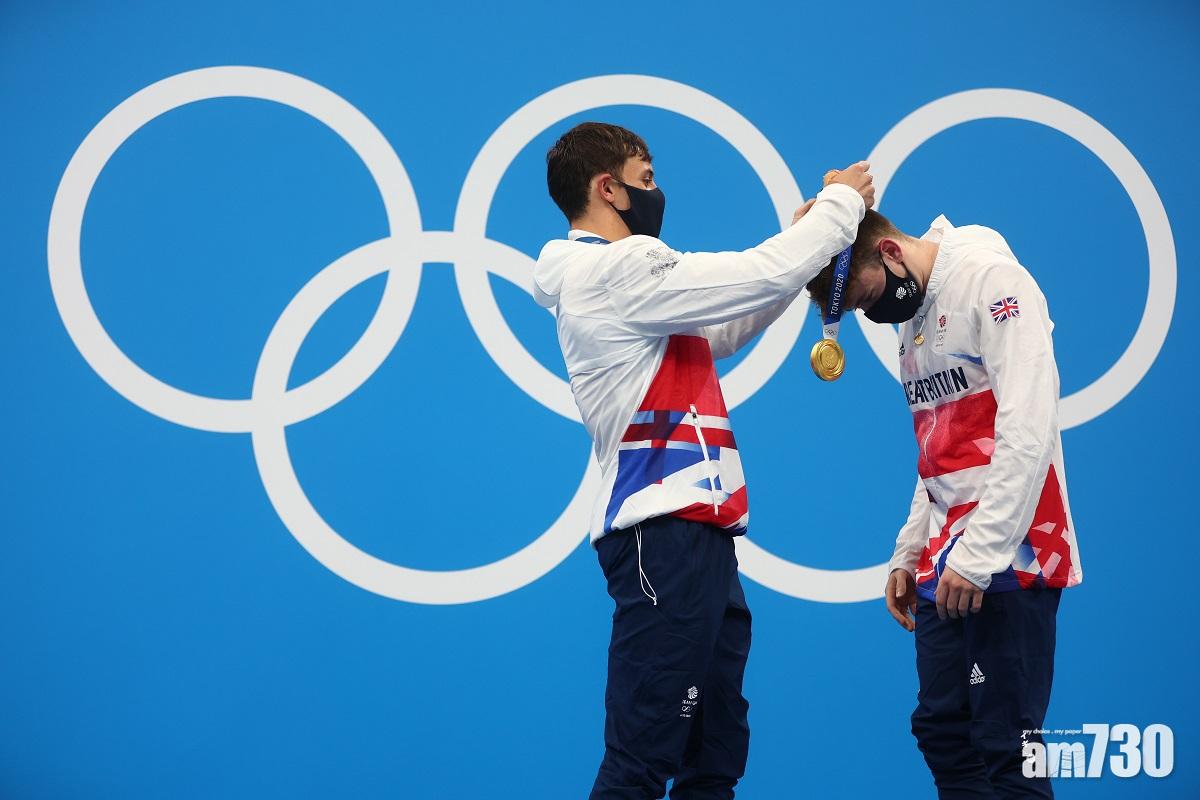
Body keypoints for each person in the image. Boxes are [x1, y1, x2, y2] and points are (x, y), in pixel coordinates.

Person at [533, 121, 873, 798]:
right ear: (608, 189)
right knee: (640, 759)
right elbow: (755, 273)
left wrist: (806, 250)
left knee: (713, 759)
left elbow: (725, 321)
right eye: (646, 179)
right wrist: (841, 206)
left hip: (698, 537)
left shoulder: (630, 288)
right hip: (662, 536)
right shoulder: (612, 270)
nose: (657, 193)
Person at [805, 208, 1083, 798]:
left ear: (889, 252)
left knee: (1007, 744)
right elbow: (939, 445)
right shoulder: (911, 313)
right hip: (946, 554)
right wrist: (909, 551)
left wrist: (979, 556)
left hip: (1016, 549)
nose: (870, 314)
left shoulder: (994, 282)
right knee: (943, 731)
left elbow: (1028, 428)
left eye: (865, 297)